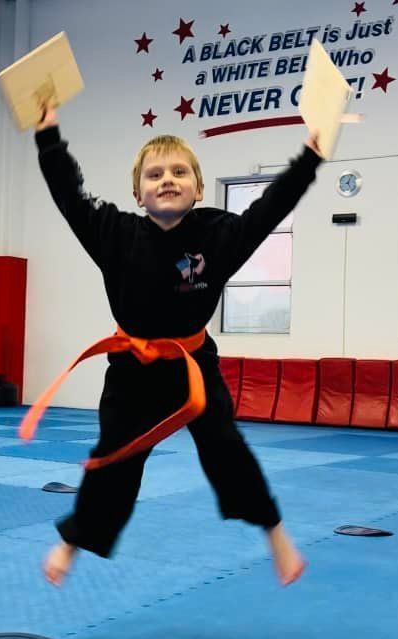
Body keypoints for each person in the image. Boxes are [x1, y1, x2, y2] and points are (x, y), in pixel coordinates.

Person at [30, 103, 322, 588]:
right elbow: (69, 195)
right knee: (114, 459)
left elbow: (271, 207)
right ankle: (73, 540)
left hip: (193, 364)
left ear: (199, 187)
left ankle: (274, 533)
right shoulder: (114, 234)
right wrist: (48, 137)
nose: (167, 179)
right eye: (155, 173)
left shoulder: (220, 235)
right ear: (137, 193)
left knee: (227, 449)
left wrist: (308, 157)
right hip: (133, 368)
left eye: (180, 171)